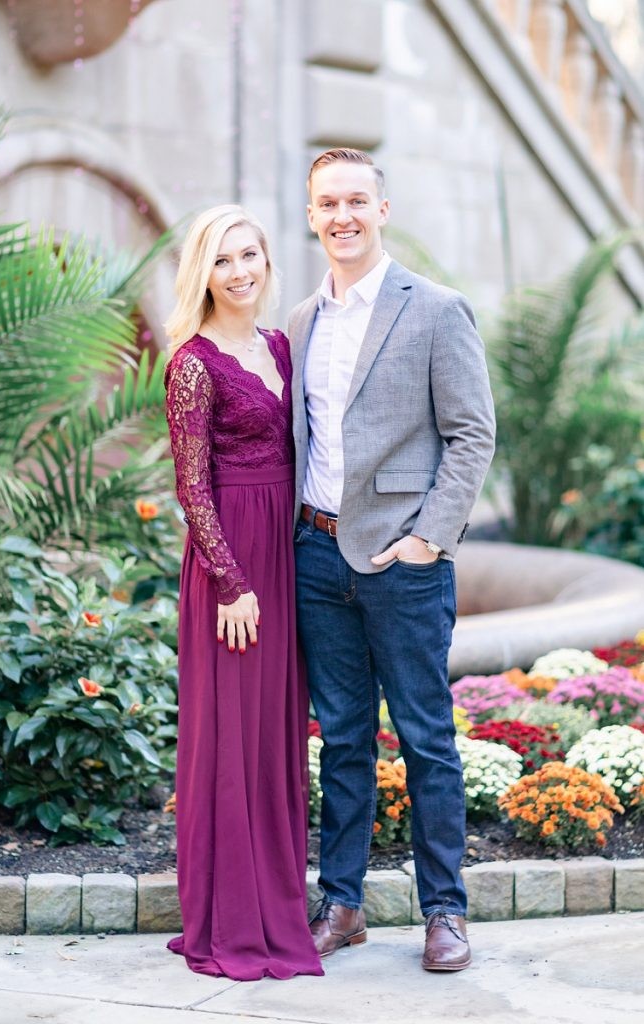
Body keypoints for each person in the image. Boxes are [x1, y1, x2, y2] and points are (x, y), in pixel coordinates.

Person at [290, 149, 496, 971]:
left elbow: (472, 433)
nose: (340, 216)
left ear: (382, 209)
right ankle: (341, 905)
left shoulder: (436, 309)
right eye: (325, 204)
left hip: (403, 561)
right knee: (341, 738)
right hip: (313, 553)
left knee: (424, 738)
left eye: (354, 201)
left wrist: (428, 539)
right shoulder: (299, 321)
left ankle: (444, 912)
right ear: (310, 216)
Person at [164, 205, 323, 981]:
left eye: (250, 255)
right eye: (223, 260)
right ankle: (229, 917)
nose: (239, 272)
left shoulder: (279, 347)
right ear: (204, 272)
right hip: (232, 566)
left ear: (267, 261)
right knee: (229, 735)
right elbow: (190, 486)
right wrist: (231, 583)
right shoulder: (192, 363)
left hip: (283, 553)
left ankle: (275, 898)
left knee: (272, 733)